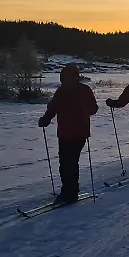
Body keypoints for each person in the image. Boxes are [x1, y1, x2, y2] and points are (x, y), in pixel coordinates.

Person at [38, 63, 99, 204]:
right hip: (64, 133)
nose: (64, 79)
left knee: (70, 163)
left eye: (67, 76)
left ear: (74, 77)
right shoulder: (61, 91)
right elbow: (53, 108)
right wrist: (45, 119)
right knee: (65, 163)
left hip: (79, 132)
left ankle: (70, 193)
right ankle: (69, 190)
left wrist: (83, 110)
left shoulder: (84, 90)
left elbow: (93, 108)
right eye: (63, 77)